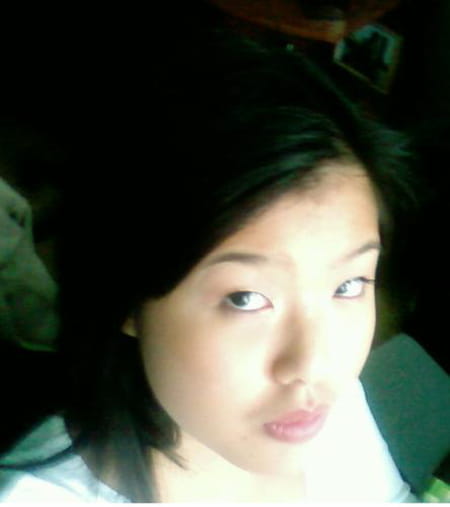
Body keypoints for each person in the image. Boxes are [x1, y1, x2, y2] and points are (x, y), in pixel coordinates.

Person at [0, 24, 419, 502]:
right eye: (246, 298)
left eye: (348, 286)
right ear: (128, 295)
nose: (315, 363)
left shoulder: (319, 405)